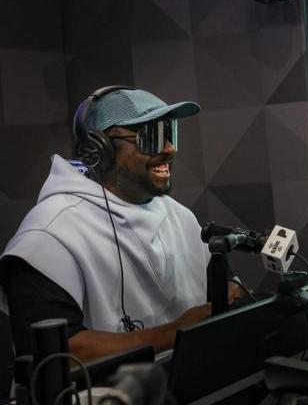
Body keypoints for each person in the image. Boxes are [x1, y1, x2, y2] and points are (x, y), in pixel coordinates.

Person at [1, 86, 218, 362]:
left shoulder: (182, 218)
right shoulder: (48, 235)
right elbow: (54, 354)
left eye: (170, 133)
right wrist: (172, 333)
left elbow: (217, 299)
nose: (168, 149)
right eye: (151, 137)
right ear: (98, 149)